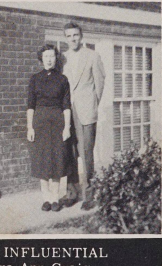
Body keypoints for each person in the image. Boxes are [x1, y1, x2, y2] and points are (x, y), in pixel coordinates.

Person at [62, 22, 106, 210]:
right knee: (69, 153)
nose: (73, 39)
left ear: (81, 36)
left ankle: (90, 194)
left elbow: (100, 83)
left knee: (86, 153)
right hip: (66, 112)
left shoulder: (92, 56)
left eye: (76, 35)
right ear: (66, 38)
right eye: (69, 36)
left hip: (86, 111)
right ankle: (72, 192)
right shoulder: (62, 58)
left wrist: (91, 104)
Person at [27, 44, 72, 212]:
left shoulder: (62, 79)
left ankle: (55, 198)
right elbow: (30, 106)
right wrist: (30, 128)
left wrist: (67, 127)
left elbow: (66, 106)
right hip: (40, 123)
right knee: (42, 160)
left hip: (58, 122)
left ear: (56, 59)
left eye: (52, 56)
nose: (49, 59)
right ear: (41, 58)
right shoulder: (34, 79)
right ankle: (46, 199)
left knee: (57, 160)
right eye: (46, 56)